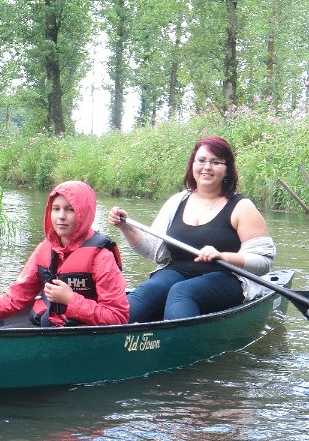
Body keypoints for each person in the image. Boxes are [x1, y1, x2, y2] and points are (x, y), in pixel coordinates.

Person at [108, 135, 276, 322]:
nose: (207, 167)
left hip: (228, 277)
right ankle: (108, 332)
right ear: (192, 165)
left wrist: (223, 256)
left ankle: (179, 340)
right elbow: (151, 249)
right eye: (201, 160)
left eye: (216, 162)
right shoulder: (176, 202)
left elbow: (264, 262)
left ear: (227, 169)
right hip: (176, 272)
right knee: (148, 292)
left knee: (182, 292)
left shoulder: (242, 207)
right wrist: (125, 226)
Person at [0, 180, 128, 327]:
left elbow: (118, 318)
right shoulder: (44, 250)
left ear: (84, 213)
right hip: (51, 330)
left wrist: (70, 299)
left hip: (86, 338)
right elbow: (12, 300)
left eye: (70, 209)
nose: (61, 216)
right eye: (56, 209)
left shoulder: (101, 256)